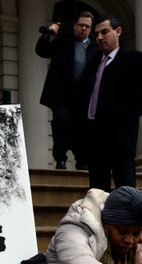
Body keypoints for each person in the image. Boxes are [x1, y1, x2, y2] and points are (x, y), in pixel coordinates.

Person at [77, 14, 142, 191]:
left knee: (125, 195)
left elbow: (141, 98)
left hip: (121, 140)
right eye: (96, 34)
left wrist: (118, 122)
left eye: (104, 32)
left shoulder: (135, 59)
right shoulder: (93, 63)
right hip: (94, 140)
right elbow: (83, 98)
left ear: (118, 32)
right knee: (96, 194)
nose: (100, 37)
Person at [36, 11, 97, 170]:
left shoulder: (94, 47)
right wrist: (48, 33)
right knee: (61, 120)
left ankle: (81, 160)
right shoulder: (62, 42)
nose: (84, 28)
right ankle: (60, 159)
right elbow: (42, 51)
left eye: (87, 26)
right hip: (61, 95)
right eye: (81, 25)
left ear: (90, 28)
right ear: (75, 26)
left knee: (81, 126)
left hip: (83, 96)